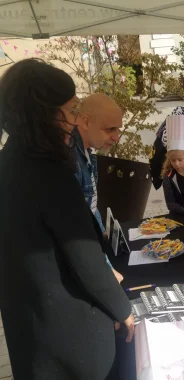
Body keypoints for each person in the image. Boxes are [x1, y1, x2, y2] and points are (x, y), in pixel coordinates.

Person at [0, 59, 134, 380]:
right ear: (43, 114)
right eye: (72, 111)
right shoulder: (51, 172)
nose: (75, 123)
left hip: (29, 323)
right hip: (70, 336)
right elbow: (83, 254)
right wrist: (122, 310)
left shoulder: (9, 161)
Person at [74, 93, 124, 283]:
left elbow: (90, 207)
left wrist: (103, 232)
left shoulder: (86, 153)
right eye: (110, 129)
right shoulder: (71, 161)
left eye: (118, 129)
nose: (116, 137)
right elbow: (77, 230)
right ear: (86, 121)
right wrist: (106, 269)